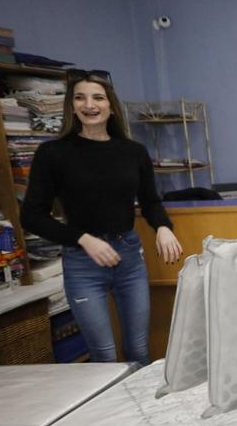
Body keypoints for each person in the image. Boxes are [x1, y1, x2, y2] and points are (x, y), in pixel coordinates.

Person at [21, 70, 183, 364]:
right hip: (83, 262)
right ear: (71, 106)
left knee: (138, 350)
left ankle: (139, 397)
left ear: (111, 106)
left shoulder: (133, 152)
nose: (89, 105)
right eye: (80, 98)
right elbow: (31, 216)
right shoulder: (53, 153)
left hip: (129, 258)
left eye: (98, 97)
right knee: (104, 356)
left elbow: (150, 201)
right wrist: (83, 239)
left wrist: (163, 226)